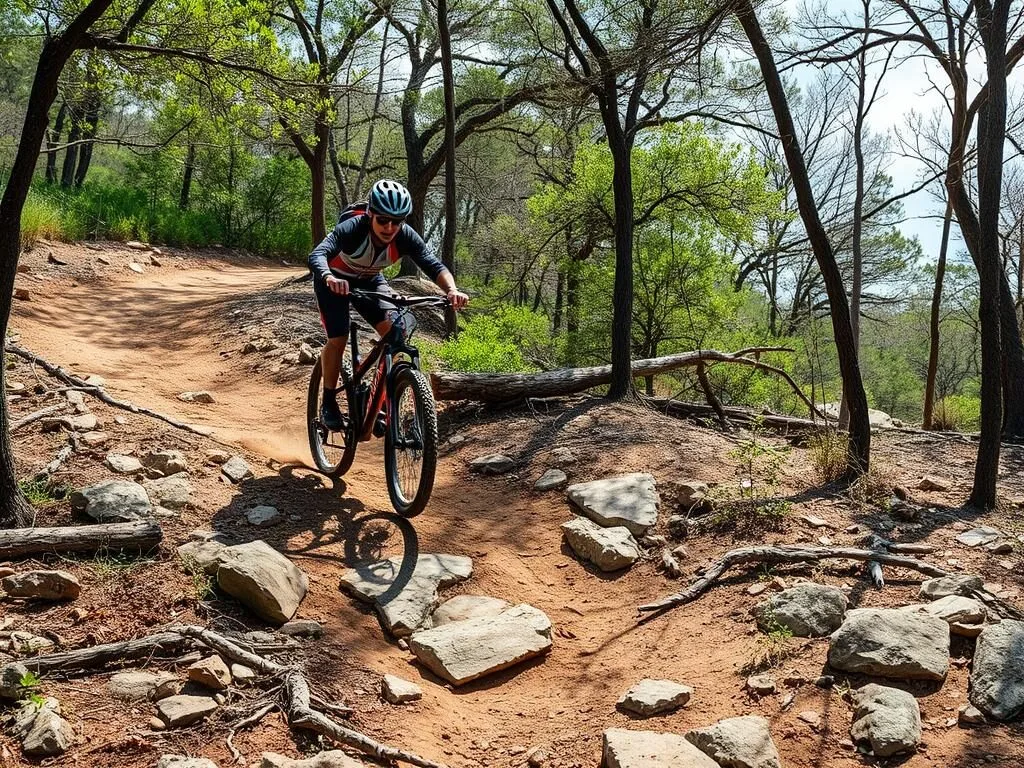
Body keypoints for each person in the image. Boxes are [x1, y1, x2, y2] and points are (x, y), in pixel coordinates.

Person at [308, 179, 468, 431]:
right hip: (335, 282)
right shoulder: (353, 228)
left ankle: (379, 402)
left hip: (370, 281)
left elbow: (433, 264)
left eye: (397, 221)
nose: (389, 227)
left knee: (396, 333)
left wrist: (452, 290)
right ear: (370, 214)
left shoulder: (404, 236)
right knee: (338, 338)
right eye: (383, 220)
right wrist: (328, 277)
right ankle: (328, 401)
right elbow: (318, 254)